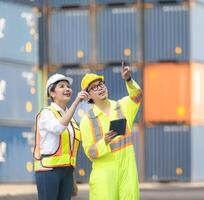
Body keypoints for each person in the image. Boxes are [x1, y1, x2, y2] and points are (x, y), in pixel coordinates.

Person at [80, 63, 142, 200]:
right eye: (94, 87)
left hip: (127, 172)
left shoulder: (123, 106)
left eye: (101, 84)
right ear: (88, 95)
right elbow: (89, 152)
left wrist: (128, 80)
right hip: (104, 178)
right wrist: (105, 142)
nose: (100, 88)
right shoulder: (87, 120)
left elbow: (137, 96)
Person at [33, 73, 88, 200]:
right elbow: (58, 128)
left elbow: (69, 150)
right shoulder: (46, 113)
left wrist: (71, 176)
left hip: (67, 171)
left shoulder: (71, 118)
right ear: (52, 93)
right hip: (48, 171)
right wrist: (76, 103)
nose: (67, 89)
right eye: (61, 86)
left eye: (68, 86)